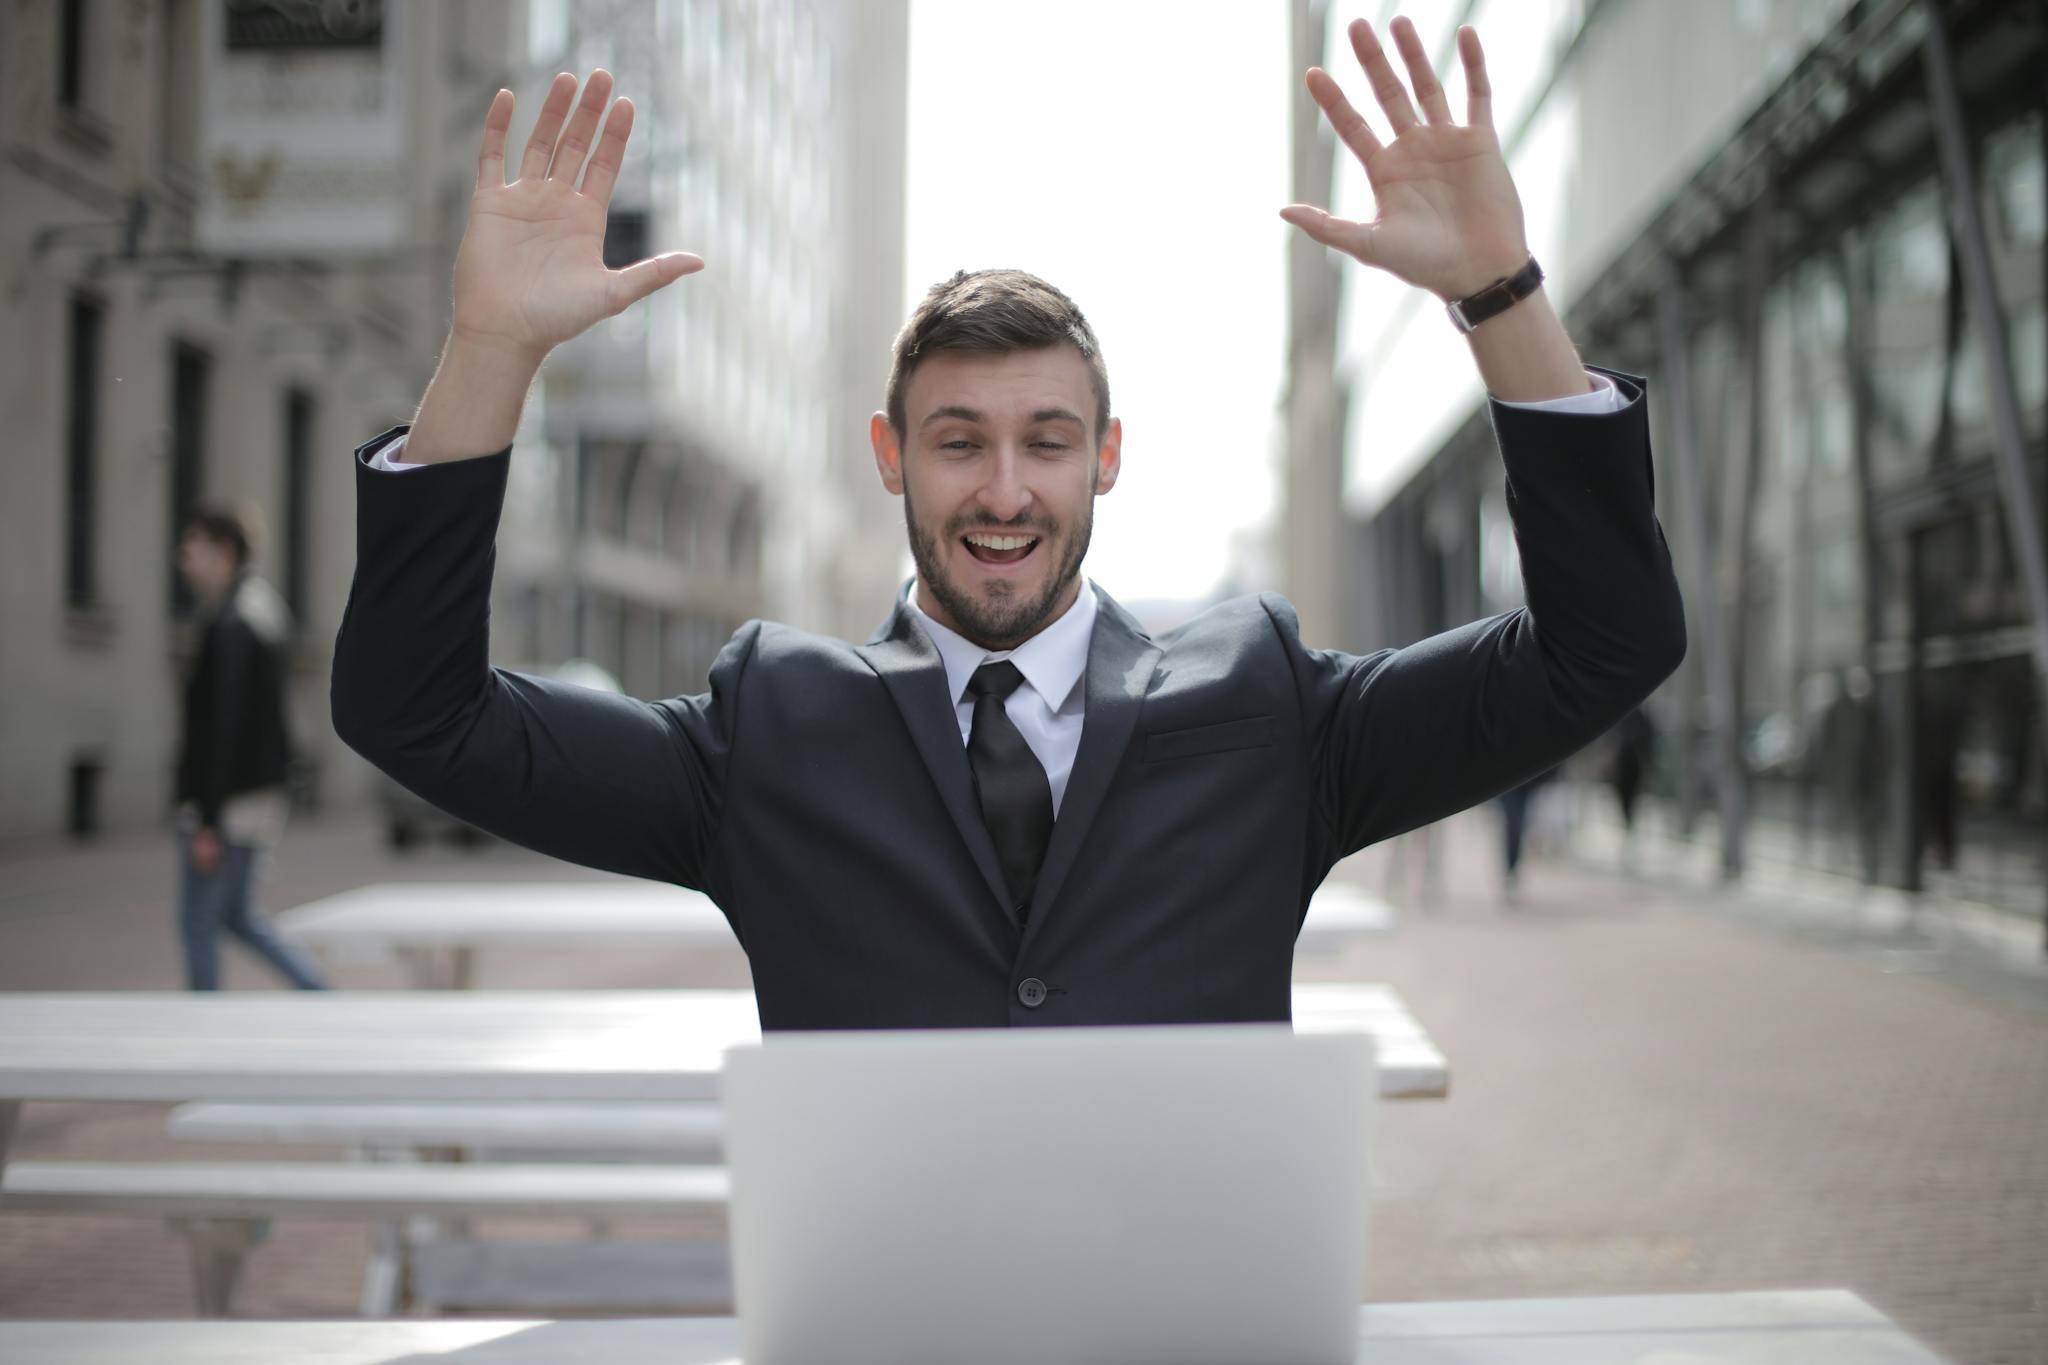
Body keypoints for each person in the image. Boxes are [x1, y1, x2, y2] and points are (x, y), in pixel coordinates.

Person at [332, 19, 1685, 1029]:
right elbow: (418, 713)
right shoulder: (769, 733)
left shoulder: (1269, 712)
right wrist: (490, 354)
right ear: (890, 459)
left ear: (1106, 461)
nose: (1001, 492)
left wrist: (1503, 297)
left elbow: (1603, 648)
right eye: (957, 442)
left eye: (1046, 443)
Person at [174, 506, 327, 992]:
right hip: (255, 794)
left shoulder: (234, 622)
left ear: (224, 553)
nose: (184, 560)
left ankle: (205, 1025)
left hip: (231, 802)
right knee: (237, 916)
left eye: (192, 549)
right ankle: (325, 997)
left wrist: (207, 819)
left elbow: (222, 729)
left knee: (201, 920)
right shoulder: (260, 610)